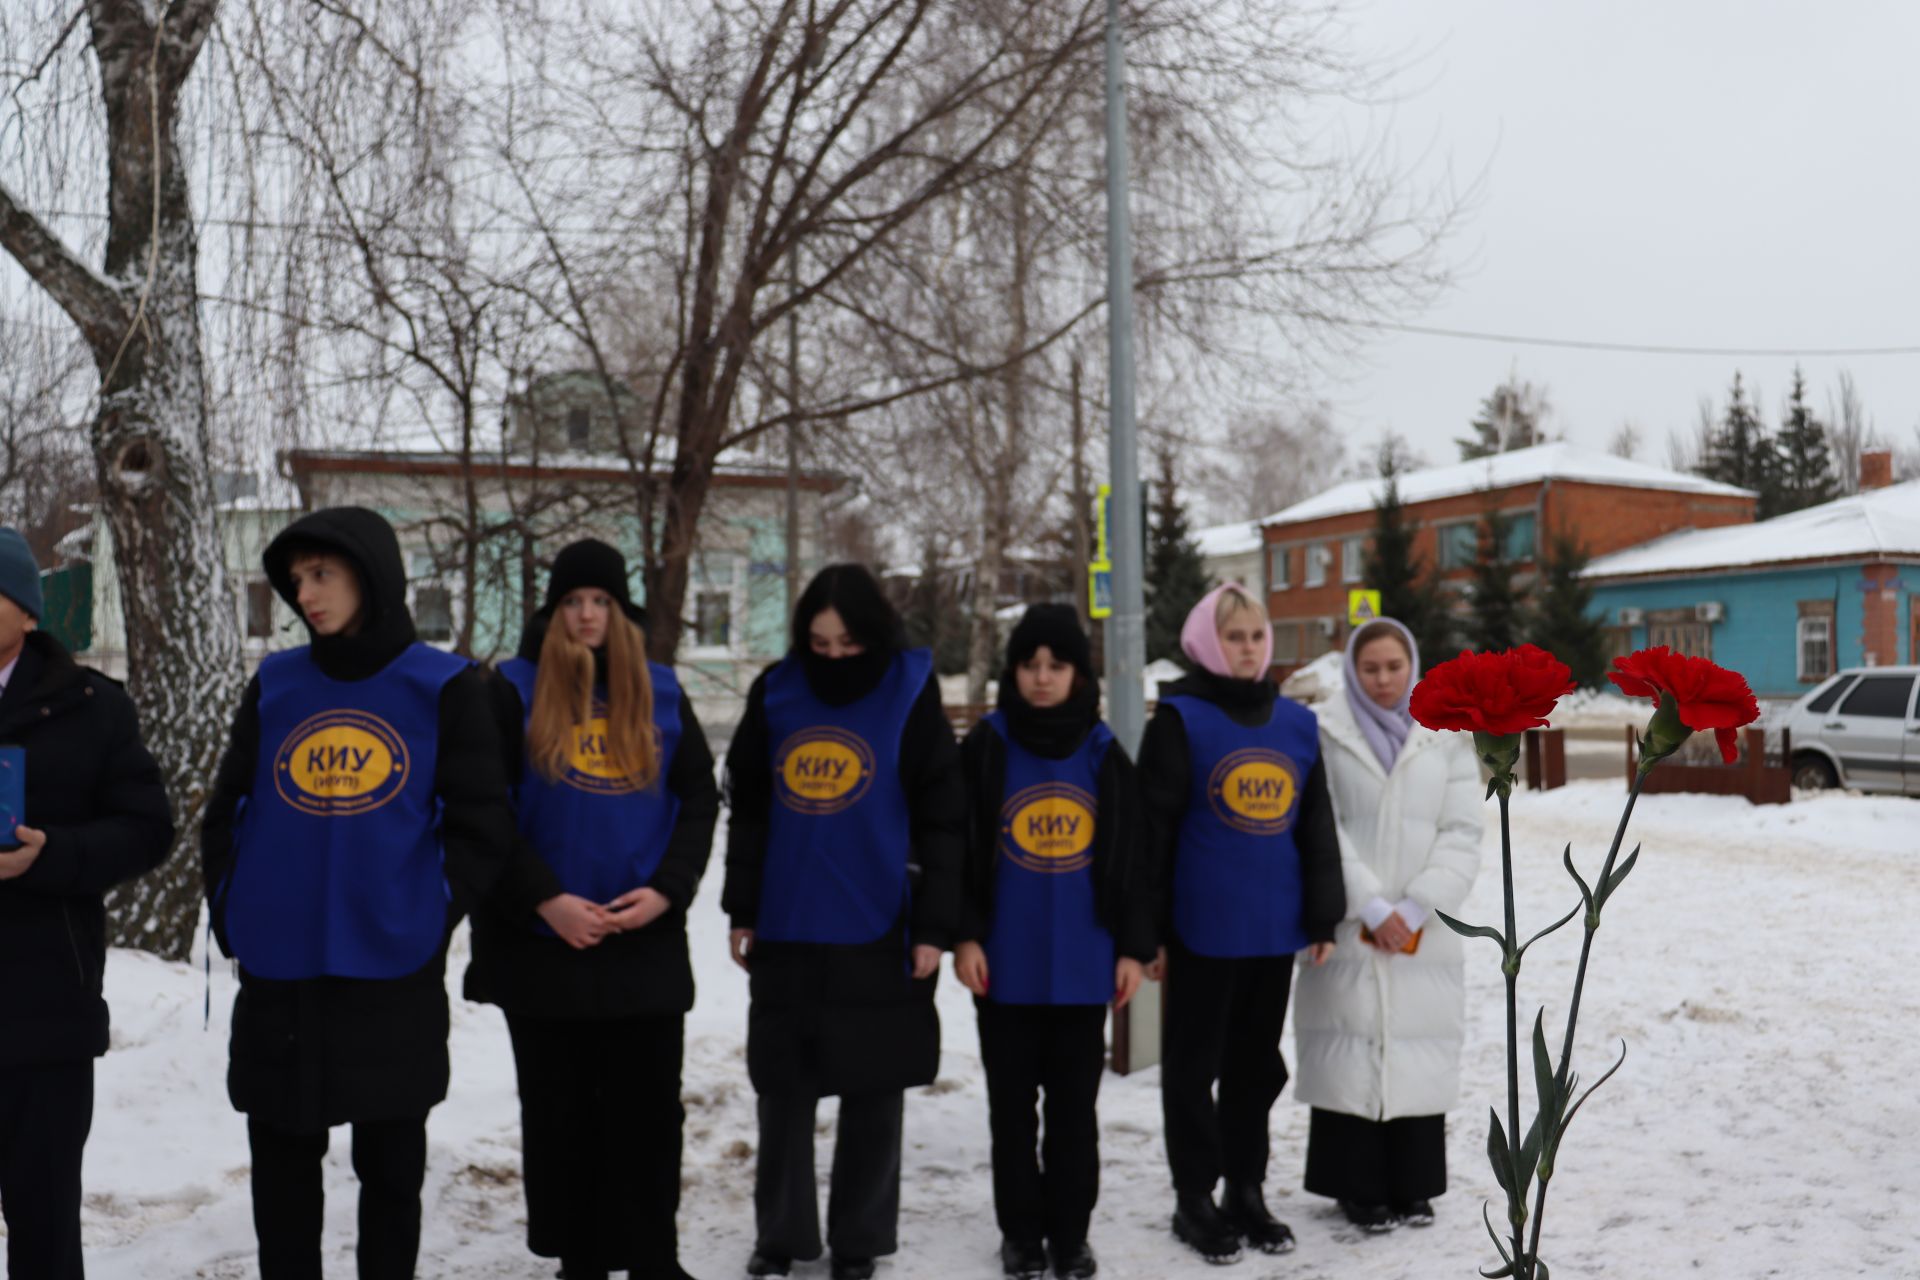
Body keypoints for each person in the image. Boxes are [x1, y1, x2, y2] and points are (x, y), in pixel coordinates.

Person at [201, 507, 521, 1280]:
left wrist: (428, 913)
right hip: (283, 970)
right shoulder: (276, 683)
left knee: (391, 1173)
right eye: (297, 580)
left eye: (323, 575)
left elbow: (483, 826)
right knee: (281, 1172)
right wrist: (236, 914)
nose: (305, 594)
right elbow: (227, 809)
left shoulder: (441, 686)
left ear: (370, 577)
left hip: (390, 969)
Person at [466, 539, 719, 1280]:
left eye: (600, 602)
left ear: (620, 612)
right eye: (573, 602)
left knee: (647, 1117)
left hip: (640, 940)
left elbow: (699, 801)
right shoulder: (508, 691)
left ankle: (653, 1259)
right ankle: (580, 1259)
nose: (585, 615)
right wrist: (545, 900)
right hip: (546, 947)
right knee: (562, 1116)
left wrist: (667, 891)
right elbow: (487, 812)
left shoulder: (664, 694)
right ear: (553, 612)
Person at [721, 564, 964, 1280]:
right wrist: (742, 908)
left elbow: (944, 819)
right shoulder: (777, 691)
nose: (831, 658)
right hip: (790, 919)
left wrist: (933, 928)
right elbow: (752, 810)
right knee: (784, 1089)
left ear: (874, 635)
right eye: (819, 644)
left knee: (873, 1086)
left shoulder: (910, 692)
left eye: (846, 645)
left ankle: (859, 1240)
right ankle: (781, 1236)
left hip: (881, 918)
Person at [1138, 583, 1344, 1264]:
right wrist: (1150, 934)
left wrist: (1322, 914)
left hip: (1272, 927)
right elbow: (1153, 833)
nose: (1249, 648)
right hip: (1201, 930)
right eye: (1235, 637)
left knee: (1254, 1068)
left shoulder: (1295, 724)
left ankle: (1246, 1190)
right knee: (1194, 1068)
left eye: (1258, 636)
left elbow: (1314, 827)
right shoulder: (1179, 720)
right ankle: (1194, 1196)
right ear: (1206, 643)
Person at [953, 604, 1154, 1280]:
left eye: (1056, 665)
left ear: (1078, 673)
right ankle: (1020, 1235)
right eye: (1029, 665)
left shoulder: (1102, 751)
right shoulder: (986, 745)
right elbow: (962, 847)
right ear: (1014, 671)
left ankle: (1070, 1235)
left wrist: (1131, 948)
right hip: (1002, 968)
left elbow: (1132, 860)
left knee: (1074, 1115)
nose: (1041, 678)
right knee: (1011, 1113)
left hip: (1082, 967)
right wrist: (965, 935)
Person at [0, 527, 174, 1280]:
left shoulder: (92, 708)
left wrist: (56, 855)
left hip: (45, 1014)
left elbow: (148, 828)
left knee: (42, 1225)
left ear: (26, 612)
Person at [1293, 618, 1482, 1232]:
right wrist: (1371, 906)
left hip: (1425, 923)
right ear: (1351, 668)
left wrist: (1417, 905)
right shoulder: (1325, 731)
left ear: (1412, 665)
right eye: (1369, 668)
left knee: (1415, 1043)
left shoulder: (1446, 734)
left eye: (1393, 667)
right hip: (1352, 920)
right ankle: (1356, 1186)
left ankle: (1413, 1183)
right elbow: (1323, 829)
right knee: (1350, 1041)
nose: (1381, 680)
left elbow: (1462, 831)